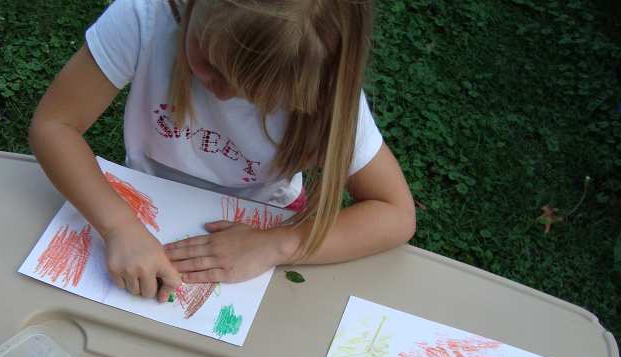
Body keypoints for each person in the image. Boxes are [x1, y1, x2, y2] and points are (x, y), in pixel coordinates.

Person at [28, 0, 416, 303]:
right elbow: (54, 126)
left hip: (266, 222)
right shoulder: (147, 17)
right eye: (210, 62)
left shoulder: (328, 96)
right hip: (147, 204)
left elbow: (395, 214)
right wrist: (117, 225)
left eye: (261, 97)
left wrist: (276, 243)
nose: (221, 91)